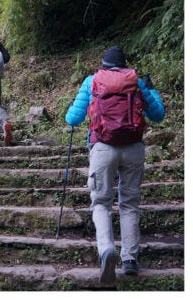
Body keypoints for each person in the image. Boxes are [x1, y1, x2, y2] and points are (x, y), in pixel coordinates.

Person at [65, 46, 165, 285]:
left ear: (103, 64)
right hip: (133, 148)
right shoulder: (137, 82)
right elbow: (158, 114)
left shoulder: (92, 81)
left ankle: (106, 250)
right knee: (129, 203)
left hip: (102, 149)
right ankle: (129, 258)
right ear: (124, 64)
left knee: (101, 202)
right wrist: (151, 89)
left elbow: (72, 118)